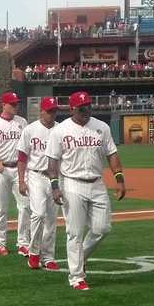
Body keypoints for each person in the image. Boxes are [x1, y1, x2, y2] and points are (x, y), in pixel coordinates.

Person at [44, 91, 125, 291]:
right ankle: (76, 277)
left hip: (97, 183)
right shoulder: (60, 131)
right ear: (72, 109)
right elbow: (52, 162)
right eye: (82, 108)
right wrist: (55, 186)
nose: (86, 110)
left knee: (102, 228)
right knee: (75, 232)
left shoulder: (101, 127)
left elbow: (112, 154)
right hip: (72, 183)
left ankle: (82, 257)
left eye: (88, 106)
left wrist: (119, 179)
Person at [0, 91, 31, 256]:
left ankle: (23, 243)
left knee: (25, 206)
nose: (16, 106)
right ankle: (0, 243)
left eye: (17, 103)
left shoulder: (22, 122)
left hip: (19, 169)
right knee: (1, 208)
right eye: (12, 104)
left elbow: (27, 146)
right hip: (1, 169)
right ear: (4, 105)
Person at [16, 96, 61, 271]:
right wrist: (21, 180)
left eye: (54, 111)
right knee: (39, 214)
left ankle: (48, 256)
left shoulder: (61, 129)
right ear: (41, 111)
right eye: (49, 111)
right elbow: (22, 157)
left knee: (51, 219)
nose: (52, 114)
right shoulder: (30, 130)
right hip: (36, 176)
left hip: (55, 178)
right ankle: (34, 252)